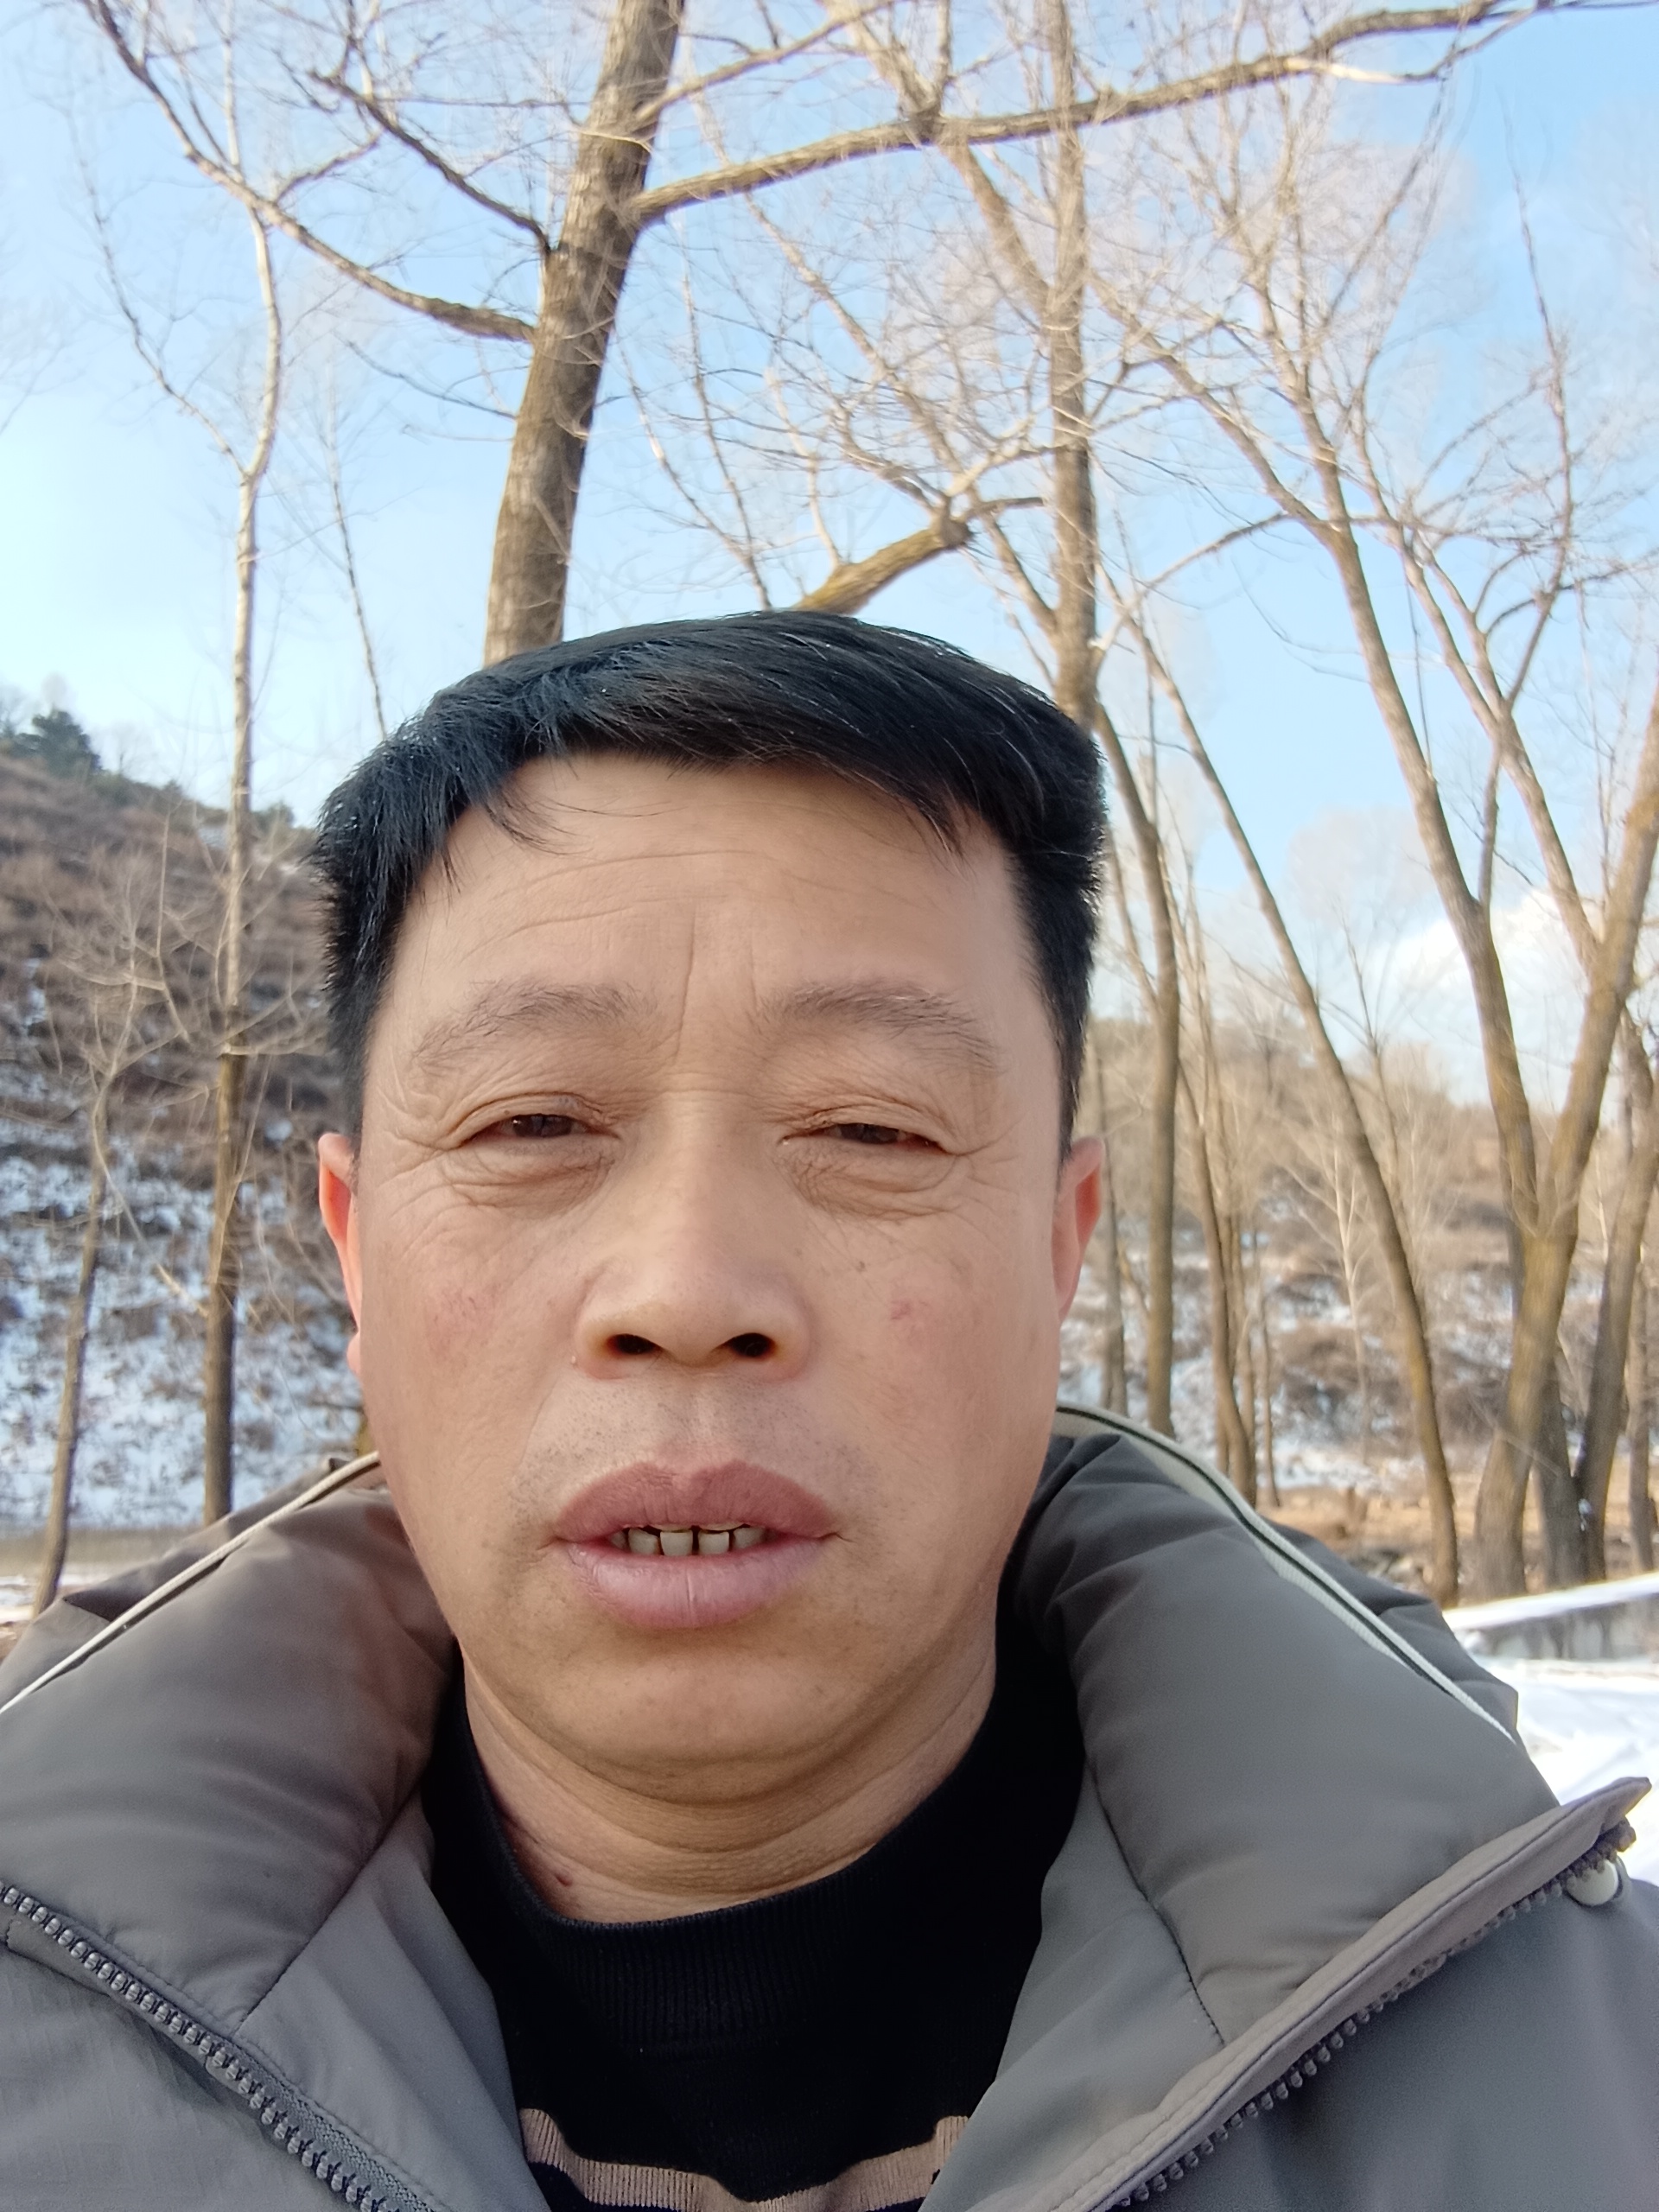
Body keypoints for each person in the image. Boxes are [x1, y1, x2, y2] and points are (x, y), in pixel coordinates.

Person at [0, 613, 1654, 2212]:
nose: (688, 1288)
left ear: (1062, 1247)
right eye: (531, 1125)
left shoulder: (1597, 2089)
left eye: (873, 1130)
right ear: (356, 1250)